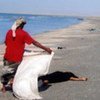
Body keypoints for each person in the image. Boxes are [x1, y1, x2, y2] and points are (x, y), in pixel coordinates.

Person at [0, 18, 52, 92]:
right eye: (23, 25)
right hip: (17, 58)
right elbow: (34, 43)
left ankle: (4, 86)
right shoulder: (23, 33)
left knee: (8, 71)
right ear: (21, 25)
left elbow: (6, 43)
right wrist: (46, 48)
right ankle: (12, 83)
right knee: (17, 71)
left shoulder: (9, 32)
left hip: (7, 57)